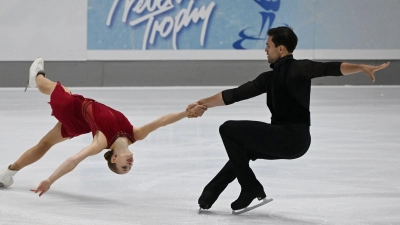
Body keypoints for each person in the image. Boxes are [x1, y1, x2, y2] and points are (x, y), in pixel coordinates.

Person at [186, 26, 390, 214]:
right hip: (284, 139)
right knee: (242, 150)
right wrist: (200, 103)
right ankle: (211, 193)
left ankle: (250, 187)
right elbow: (235, 94)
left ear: (281, 49)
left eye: (268, 46)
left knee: (228, 129)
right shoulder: (268, 78)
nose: (265, 50)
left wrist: (361, 67)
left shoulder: (299, 69)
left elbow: (330, 69)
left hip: (292, 137)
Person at [0, 58, 205, 197]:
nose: (130, 164)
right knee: (44, 143)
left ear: (114, 158)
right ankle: (8, 173)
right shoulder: (135, 134)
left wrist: (50, 180)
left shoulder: (102, 142)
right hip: (80, 122)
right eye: (129, 167)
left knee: (59, 90)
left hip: (73, 109)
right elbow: (162, 121)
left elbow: (74, 160)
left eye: (124, 167)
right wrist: (186, 113)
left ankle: (36, 78)